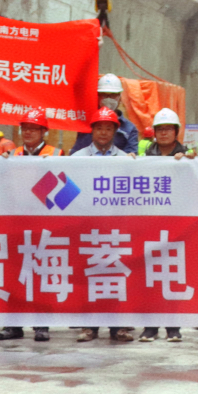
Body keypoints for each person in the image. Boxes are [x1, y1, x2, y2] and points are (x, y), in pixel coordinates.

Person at [0, 109, 60, 343]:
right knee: (14, 273)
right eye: (25, 128)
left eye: (34, 128)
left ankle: (42, 324)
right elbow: (2, 186)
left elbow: (66, 189)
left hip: (44, 224)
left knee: (41, 272)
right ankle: (13, 324)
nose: (28, 132)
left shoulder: (56, 154)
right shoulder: (11, 155)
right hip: (16, 223)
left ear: (44, 132)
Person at [70, 107, 135, 342]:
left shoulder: (126, 160)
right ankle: (89, 327)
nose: (104, 133)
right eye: (99, 128)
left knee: (117, 274)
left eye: (109, 128)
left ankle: (118, 327)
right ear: (92, 131)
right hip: (87, 227)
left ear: (115, 131)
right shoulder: (77, 159)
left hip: (116, 227)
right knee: (89, 276)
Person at [135, 108, 192, 344]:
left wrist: (190, 162)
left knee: (173, 273)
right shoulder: (145, 157)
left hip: (177, 224)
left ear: (176, 132)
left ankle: (172, 326)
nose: (164, 133)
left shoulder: (188, 157)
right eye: (160, 129)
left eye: (169, 129)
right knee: (150, 275)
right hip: (150, 222)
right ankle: (150, 327)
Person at [70, 74, 139, 154]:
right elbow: (76, 154)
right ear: (98, 96)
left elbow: (130, 156)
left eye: (113, 95)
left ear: (120, 97)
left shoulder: (129, 128)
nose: (108, 99)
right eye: (104, 95)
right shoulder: (87, 123)